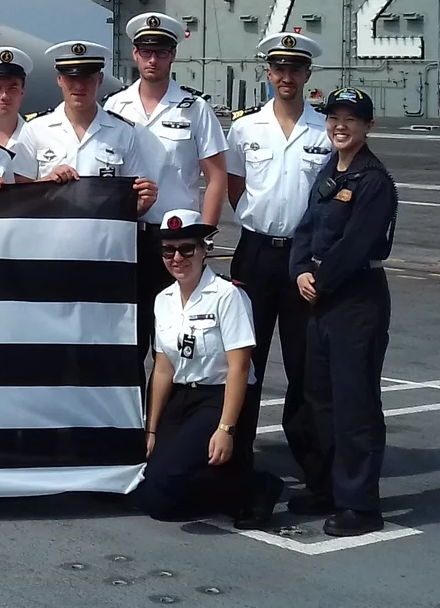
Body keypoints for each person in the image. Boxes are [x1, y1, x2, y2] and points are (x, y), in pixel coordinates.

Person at [223, 32, 332, 512]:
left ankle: (314, 469)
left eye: (295, 68)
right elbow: (234, 188)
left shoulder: (325, 131)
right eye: (278, 67)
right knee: (244, 360)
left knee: (306, 365)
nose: (286, 76)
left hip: (304, 259)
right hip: (256, 253)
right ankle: (236, 461)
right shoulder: (246, 129)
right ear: (267, 73)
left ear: (308, 75)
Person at [290, 87, 397, 537]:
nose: (340, 125)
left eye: (351, 119)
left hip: (355, 301)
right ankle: (329, 487)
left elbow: (356, 246)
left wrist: (321, 280)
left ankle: (360, 504)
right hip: (321, 299)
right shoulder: (328, 170)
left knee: (356, 406)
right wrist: (299, 270)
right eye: (334, 117)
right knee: (321, 399)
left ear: (368, 126)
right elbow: (307, 226)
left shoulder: (373, 181)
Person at [134, 210, 283, 530]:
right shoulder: (164, 300)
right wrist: (152, 429)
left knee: (172, 481)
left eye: (187, 249)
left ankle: (256, 487)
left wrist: (226, 429)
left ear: (205, 250)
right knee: (151, 495)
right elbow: (162, 368)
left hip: (219, 396)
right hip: (182, 396)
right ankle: (229, 482)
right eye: (168, 250)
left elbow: (240, 367)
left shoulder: (228, 296)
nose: (177, 258)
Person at [103, 12, 229, 367]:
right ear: (134, 54)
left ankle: (166, 423)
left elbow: (216, 175)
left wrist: (204, 236)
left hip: (176, 242)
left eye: (161, 52)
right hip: (127, 238)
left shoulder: (195, 109)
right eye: (146, 51)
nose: (152, 59)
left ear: (172, 55)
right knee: (127, 340)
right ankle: (129, 422)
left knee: (173, 341)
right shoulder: (115, 106)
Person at [20, 41, 157, 217]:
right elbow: (19, 196)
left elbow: (135, 197)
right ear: (59, 79)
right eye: (71, 78)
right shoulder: (35, 129)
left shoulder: (123, 132)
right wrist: (46, 183)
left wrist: (142, 204)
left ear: (99, 80)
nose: (79, 86)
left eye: (87, 78)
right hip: (50, 238)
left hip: (103, 238)